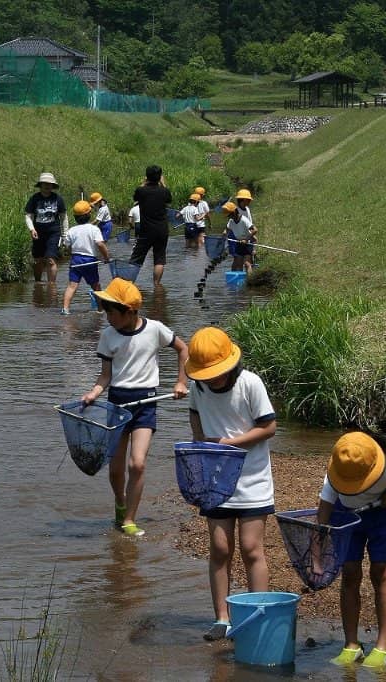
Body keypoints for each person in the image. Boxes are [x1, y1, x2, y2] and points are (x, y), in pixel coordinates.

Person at [184, 327, 277, 641]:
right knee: (220, 548)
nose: (211, 379)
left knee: (251, 548)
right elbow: (195, 414)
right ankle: (222, 618)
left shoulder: (250, 383)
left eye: (216, 373)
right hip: (215, 480)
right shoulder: (198, 388)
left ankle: (256, 614)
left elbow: (269, 427)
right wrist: (200, 440)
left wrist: (228, 444)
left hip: (252, 478)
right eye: (206, 374)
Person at [81, 278, 189, 536]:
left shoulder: (155, 329)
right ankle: (120, 502)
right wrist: (93, 393)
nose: (108, 317)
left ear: (130, 312)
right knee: (116, 468)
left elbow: (183, 349)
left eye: (112, 312)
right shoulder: (108, 336)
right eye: (106, 311)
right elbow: (105, 376)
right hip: (117, 404)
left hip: (146, 404)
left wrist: (181, 382)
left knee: (137, 464)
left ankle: (129, 518)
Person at [317, 431, 386, 669]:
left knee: (380, 570)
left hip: (384, 511)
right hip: (345, 514)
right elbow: (324, 510)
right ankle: (351, 644)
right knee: (350, 572)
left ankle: (385, 645)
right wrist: (317, 552)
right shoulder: (340, 468)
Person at [62, 200, 110, 315]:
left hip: (75, 260)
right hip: (89, 260)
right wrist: (106, 257)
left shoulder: (71, 230)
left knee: (72, 286)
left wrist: (71, 252)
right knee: (96, 286)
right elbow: (100, 244)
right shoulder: (94, 229)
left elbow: (67, 246)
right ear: (89, 215)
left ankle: (65, 309)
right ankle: (100, 309)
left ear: (75, 217)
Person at [129, 165, 173, 285]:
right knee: (159, 259)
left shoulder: (141, 190)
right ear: (160, 177)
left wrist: (144, 183)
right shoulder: (164, 191)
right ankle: (157, 286)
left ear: (147, 177)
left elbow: (135, 198)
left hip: (146, 230)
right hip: (162, 230)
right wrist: (162, 183)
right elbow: (169, 199)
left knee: (136, 257)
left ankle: (128, 284)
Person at [24, 172, 68, 284]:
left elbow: (64, 217)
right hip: (38, 233)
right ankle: (38, 283)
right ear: (40, 185)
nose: (47, 186)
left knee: (51, 259)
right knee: (38, 260)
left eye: (49, 184)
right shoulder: (34, 199)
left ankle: (51, 286)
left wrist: (65, 235)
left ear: (53, 185)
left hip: (53, 233)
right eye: (45, 183)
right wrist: (32, 229)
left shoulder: (58, 199)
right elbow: (28, 216)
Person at [223, 201, 257, 275]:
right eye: (228, 216)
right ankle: (240, 280)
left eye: (230, 215)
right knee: (238, 264)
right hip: (239, 243)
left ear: (234, 212)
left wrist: (246, 239)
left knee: (247, 263)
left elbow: (255, 230)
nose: (229, 217)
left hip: (248, 243)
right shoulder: (231, 221)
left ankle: (249, 279)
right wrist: (225, 233)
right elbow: (227, 229)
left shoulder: (244, 220)